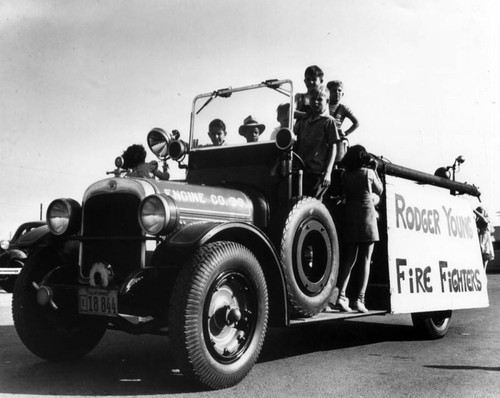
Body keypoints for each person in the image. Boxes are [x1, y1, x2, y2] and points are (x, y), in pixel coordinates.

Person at [333, 144, 383, 313]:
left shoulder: (345, 175)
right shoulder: (368, 173)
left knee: (349, 260)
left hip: (350, 218)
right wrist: (374, 169)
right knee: (366, 261)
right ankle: (360, 299)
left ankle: (341, 295)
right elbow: (380, 190)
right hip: (367, 218)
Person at [293, 84, 340, 198]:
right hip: (301, 171)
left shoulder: (328, 121)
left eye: (320, 99)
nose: (316, 102)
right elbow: (293, 136)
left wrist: (328, 173)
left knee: (312, 207)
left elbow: (333, 147)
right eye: (313, 99)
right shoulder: (304, 121)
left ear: (327, 101)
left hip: (317, 173)